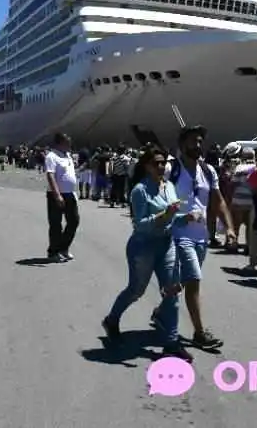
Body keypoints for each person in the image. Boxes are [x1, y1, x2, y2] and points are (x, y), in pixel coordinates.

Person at [102, 147, 193, 362]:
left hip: (166, 244)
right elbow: (141, 224)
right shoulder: (139, 190)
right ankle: (112, 320)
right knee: (136, 290)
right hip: (143, 246)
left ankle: (171, 343)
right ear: (146, 166)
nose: (161, 166)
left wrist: (186, 218)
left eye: (163, 162)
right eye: (156, 163)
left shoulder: (169, 186)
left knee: (171, 291)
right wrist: (164, 215)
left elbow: (173, 219)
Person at [157, 125, 236, 349]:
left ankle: (161, 312)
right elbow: (156, 199)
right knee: (193, 279)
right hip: (177, 234)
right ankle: (200, 333)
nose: (198, 145)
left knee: (183, 281)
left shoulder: (208, 171)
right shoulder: (171, 169)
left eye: (200, 141)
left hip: (201, 236)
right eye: (193, 141)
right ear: (182, 144)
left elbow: (218, 200)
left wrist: (230, 228)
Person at [44, 133, 80, 262]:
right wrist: (57, 195)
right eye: (67, 142)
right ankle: (53, 252)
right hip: (56, 194)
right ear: (59, 143)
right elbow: (50, 175)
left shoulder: (68, 155)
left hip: (70, 193)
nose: (69, 144)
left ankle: (63, 248)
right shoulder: (51, 156)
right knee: (56, 224)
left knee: (74, 221)